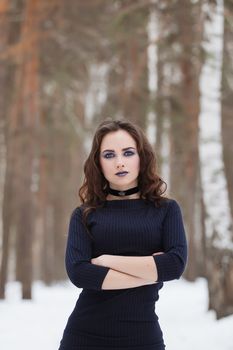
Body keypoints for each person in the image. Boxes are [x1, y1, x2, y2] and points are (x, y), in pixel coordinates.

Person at [58, 118, 187, 350]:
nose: (119, 162)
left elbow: (175, 265)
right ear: (98, 162)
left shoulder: (166, 210)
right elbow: (79, 273)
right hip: (84, 337)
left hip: (143, 337)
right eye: (109, 155)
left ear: (142, 157)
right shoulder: (85, 214)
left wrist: (108, 261)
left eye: (128, 153)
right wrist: (152, 271)